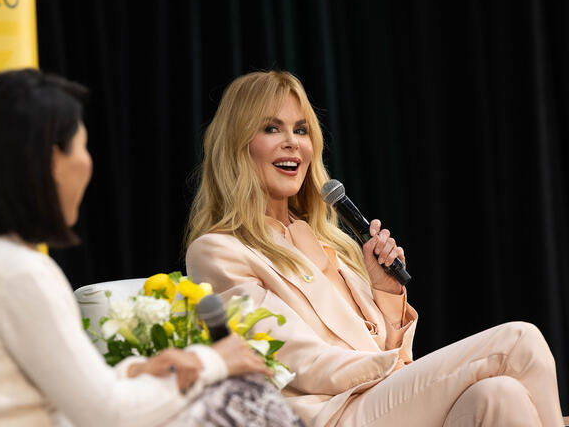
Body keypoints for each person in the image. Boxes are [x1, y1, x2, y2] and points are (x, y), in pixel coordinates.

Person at [0, 69, 302, 427]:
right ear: (50, 162)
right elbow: (108, 415)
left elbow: (55, 393)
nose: (88, 164)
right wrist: (214, 361)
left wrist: (137, 371)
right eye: (81, 147)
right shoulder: (17, 272)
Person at [185, 70, 564, 426]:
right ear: (237, 146)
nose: (292, 142)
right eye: (271, 128)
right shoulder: (217, 251)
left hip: (378, 402)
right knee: (519, 340)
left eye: (300, 130)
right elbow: (296, 360)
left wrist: (385, 292)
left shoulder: (329, 245)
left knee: (499, 394)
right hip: (330, 414)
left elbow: (390, 350)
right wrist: (397, 371)